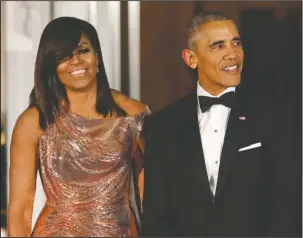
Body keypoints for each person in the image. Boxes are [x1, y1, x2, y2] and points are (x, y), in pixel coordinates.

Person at [142, 12, 301, 237]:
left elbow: (286, 206)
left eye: (236, 43)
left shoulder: (274, 117)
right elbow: (156, 215)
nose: (232, 54)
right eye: (218, 46)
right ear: (191, 59)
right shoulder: (163, 124)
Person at [8, 16, 150, 237]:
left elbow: (150, 196)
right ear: (51, 66)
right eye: (63, 56)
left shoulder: (132, 114)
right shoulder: (34, 121)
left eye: (83, 51)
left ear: (97, 58)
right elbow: (20, 209)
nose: (75, 61)